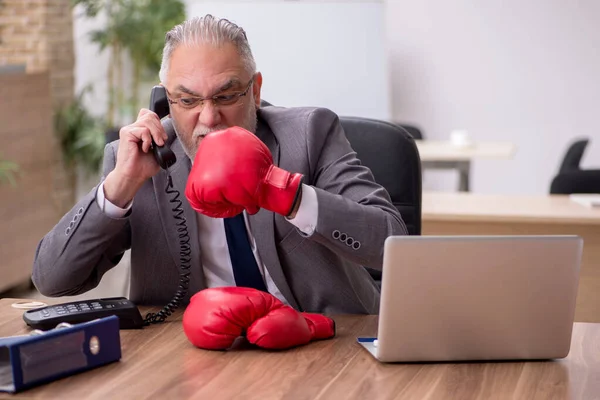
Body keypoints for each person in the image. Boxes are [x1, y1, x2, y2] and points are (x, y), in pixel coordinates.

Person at [32, 14, 407, 314]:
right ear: (166, 101)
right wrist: (120, 186)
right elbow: (53, 281)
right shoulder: (136, 158)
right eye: (188, 101)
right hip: (194, 358)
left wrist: (287, 194)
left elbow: (392, 245)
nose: (209, 118)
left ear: (255, 91)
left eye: (226, 96)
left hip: (325, 348)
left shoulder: (310, 134)